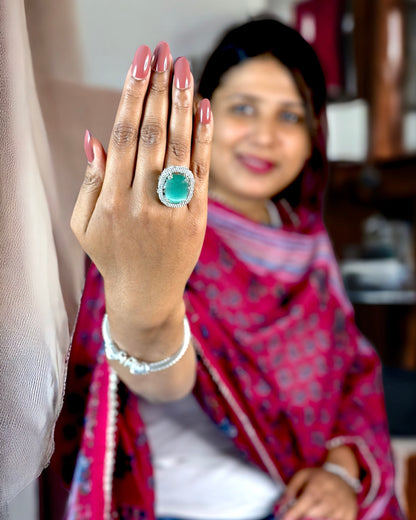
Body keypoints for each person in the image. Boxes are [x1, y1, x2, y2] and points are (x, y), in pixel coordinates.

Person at [51, 16, 405, 520]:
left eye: (291, 117)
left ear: (314, 134)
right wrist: (148, 308)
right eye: (243, 109)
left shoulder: (306, 240)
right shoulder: (150, 226)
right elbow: (159, 377)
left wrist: (344, 472)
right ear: (200, 115)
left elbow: (353, 372)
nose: (265, 136)